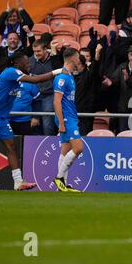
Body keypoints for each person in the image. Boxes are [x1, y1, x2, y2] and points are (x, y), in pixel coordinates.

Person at [0, 53, 62, 191]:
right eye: (26, 63)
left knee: (11, 146)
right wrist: (59, 70)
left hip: (1, 118)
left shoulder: (16, 78)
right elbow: (36, 79)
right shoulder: (11, 72)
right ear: (17, 64)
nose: (29, 65)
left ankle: (18, 182)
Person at [53, 48, 84, 192]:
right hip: (66, 119)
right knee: (78, 148)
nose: (79, 60)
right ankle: (59, 178)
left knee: (64, 152)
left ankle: (62, 185)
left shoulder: (69, 76)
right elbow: (56, 102)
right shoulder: (62, 78)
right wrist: (61, 122)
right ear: (72, 58)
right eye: (78, 58)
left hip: (70, 117)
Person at [30, 39, 61, 135]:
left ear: (45, 50)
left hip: (49, 95)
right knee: (33, 125)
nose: (36, 54)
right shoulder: (30, 61)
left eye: (38, 51)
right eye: (34, 51)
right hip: (34, 97)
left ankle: (48, 146)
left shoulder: (54, 59)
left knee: (47, 125)